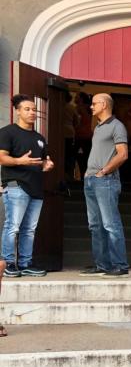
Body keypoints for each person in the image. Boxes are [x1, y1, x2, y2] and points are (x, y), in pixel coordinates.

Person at [0, 95, 55, 277]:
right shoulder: (7, 132)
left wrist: (47, 165)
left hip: (36, 189)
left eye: (34, 110)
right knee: (13, 226)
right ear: (18, 111)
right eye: (27, 109)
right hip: (16, 186)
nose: (32, 113)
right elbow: (2, 157)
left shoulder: (40, 138)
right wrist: (19, 161)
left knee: (29, 229)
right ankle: (8, 263)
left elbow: (43, 162)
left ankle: (25, 263)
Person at [81, 93, 129, 277]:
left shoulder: (117, 126)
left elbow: (123, 154)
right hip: (91, 180)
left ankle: (120, 265)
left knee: (110, 224)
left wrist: (104, 171)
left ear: (104, 104)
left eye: (94, 104)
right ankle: (103, 265)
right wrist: (89, 174)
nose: (91, 107)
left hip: (105, 181)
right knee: (95, 225)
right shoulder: (98, 128)